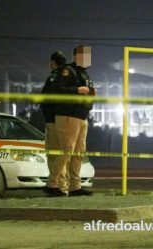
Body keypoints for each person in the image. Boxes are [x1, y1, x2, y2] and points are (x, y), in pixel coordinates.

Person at [45, 46, 95, 197]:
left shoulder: (84, 73)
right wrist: (77, 90)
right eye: (85, 56)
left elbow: (87, 92)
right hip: (68, 115)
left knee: (78, 153)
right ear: (76, 56)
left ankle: (75, 186)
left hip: (82, 116)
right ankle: (52, 183)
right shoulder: (66, 70)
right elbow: (57, 89)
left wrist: (91, 93)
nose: (88, 59)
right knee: (67, 151)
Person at [40, 51, 69, 196]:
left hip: (52, 121)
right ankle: (62, 187)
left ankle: (56, 186)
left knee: (53, 155)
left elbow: (46, 100)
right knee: (61, 155)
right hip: (66, 121)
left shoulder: (53, 78)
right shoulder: (68, 76)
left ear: (52, 62)